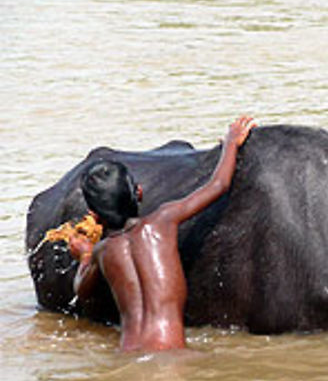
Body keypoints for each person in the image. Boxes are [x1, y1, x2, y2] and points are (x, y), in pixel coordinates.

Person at [68, 116, 257, 352]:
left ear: (93, 214)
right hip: (171, 352)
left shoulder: (102, 251)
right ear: (139, 192)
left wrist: (84, 256)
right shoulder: (163, 221)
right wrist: (231, 143)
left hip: (128, 355)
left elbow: (81, 290)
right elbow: (218, 185)